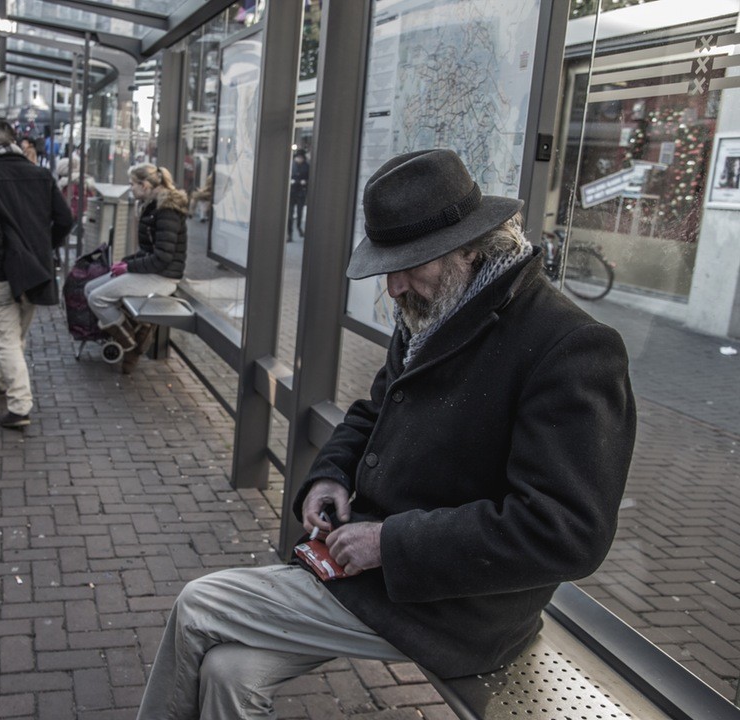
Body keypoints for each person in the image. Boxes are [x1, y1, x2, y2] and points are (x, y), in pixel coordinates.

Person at [135, 149, 637, 719]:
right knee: (230, 673)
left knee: (198, 603)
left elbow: (568, 532)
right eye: (387, 265)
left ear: (470, 246)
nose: (394, 287)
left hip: (453, 607)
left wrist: (390, 543)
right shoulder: (443, 304)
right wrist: (329, 475)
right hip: (381, 572)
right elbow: (376, 409)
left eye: (409, 264)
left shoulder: (570, 346)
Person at [0, 120, 73, 429]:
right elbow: (65, 219)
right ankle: (3, 380)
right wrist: (44, 246)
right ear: (16, 142)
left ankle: (19, 404)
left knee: (6, 338)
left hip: (2, 271)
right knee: (18, 333)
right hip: (36, 269)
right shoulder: (40, 175)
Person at [84, 164, 189, 374]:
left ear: (146, 185)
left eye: (133, 184)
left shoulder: (166, 210)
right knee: (89, 288)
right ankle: (137, 333)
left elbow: (162, 258)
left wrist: (128, 266)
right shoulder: (152, 205)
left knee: (97, 298)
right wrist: (126, 262)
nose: (131, 189)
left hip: (162, 276)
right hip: (152, 271)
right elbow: (149, 251)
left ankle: (131, 345)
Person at [287, 149, 309, 241]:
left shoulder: (307, 166)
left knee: (300, 213)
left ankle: (299, 228)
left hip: (301, 192)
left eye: (301, 158)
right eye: (298, 157)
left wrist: (305, 182)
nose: (299, 159)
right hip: (292, 192)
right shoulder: (291, 165)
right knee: (290, 214)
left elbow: (310, 178)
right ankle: (289, 233)